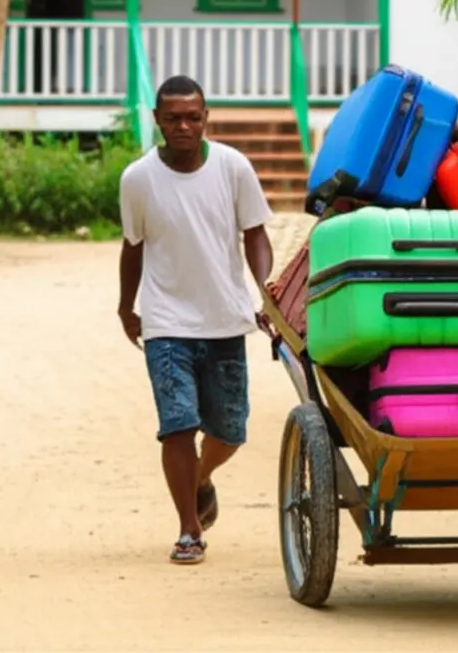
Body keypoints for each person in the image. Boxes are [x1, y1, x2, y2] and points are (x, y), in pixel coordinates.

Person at [117, 74, 274, 566]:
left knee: (229, 431)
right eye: (172, 118)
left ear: (206, 118)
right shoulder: (138, 178)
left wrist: (265, 291)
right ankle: (189, 529)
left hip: (225, 319)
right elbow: (133, 247)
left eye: (192, 116)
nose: (183, 126)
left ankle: (201, 478)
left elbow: (255, 234)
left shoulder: (233, 168)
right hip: (166, 323)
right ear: (158, 121)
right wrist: (127, 306)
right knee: (178, 425)